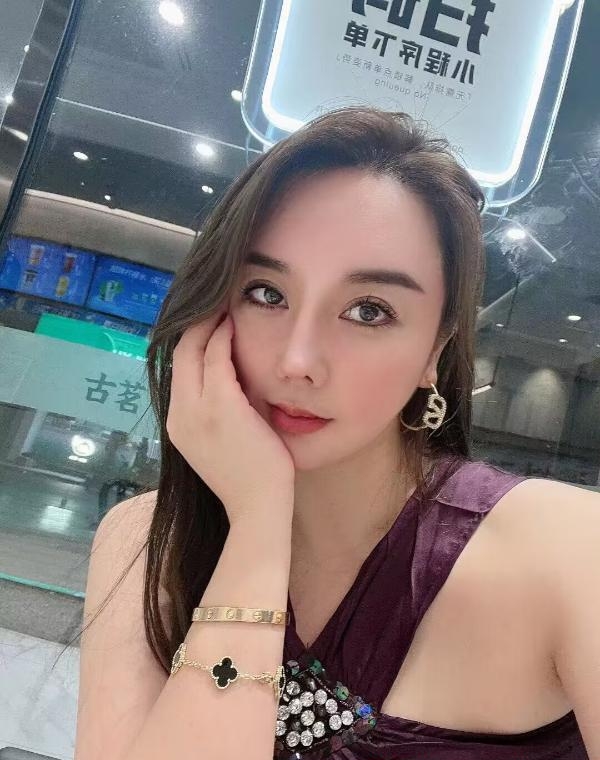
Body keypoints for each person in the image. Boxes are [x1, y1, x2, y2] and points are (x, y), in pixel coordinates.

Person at [72, 108, 600, 760]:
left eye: (369, 311)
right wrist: (258, 524)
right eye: (265, 293)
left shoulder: (567, 552)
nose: (298, 361)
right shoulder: (145, 540)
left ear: (435, 350)